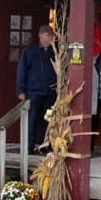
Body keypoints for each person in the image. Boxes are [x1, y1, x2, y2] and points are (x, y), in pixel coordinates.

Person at [16, 24, 57, 153]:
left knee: (48, 121)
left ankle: (44, 145)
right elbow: (22, 70)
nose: (46, 39)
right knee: (32, 120)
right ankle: (29, 146)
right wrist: (21, 90)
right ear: (39, 36)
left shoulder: (55, 52)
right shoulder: (30, 51)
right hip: (34, 91)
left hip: (50, 92)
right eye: (44, 36)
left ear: (52, 37)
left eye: (49, 36)